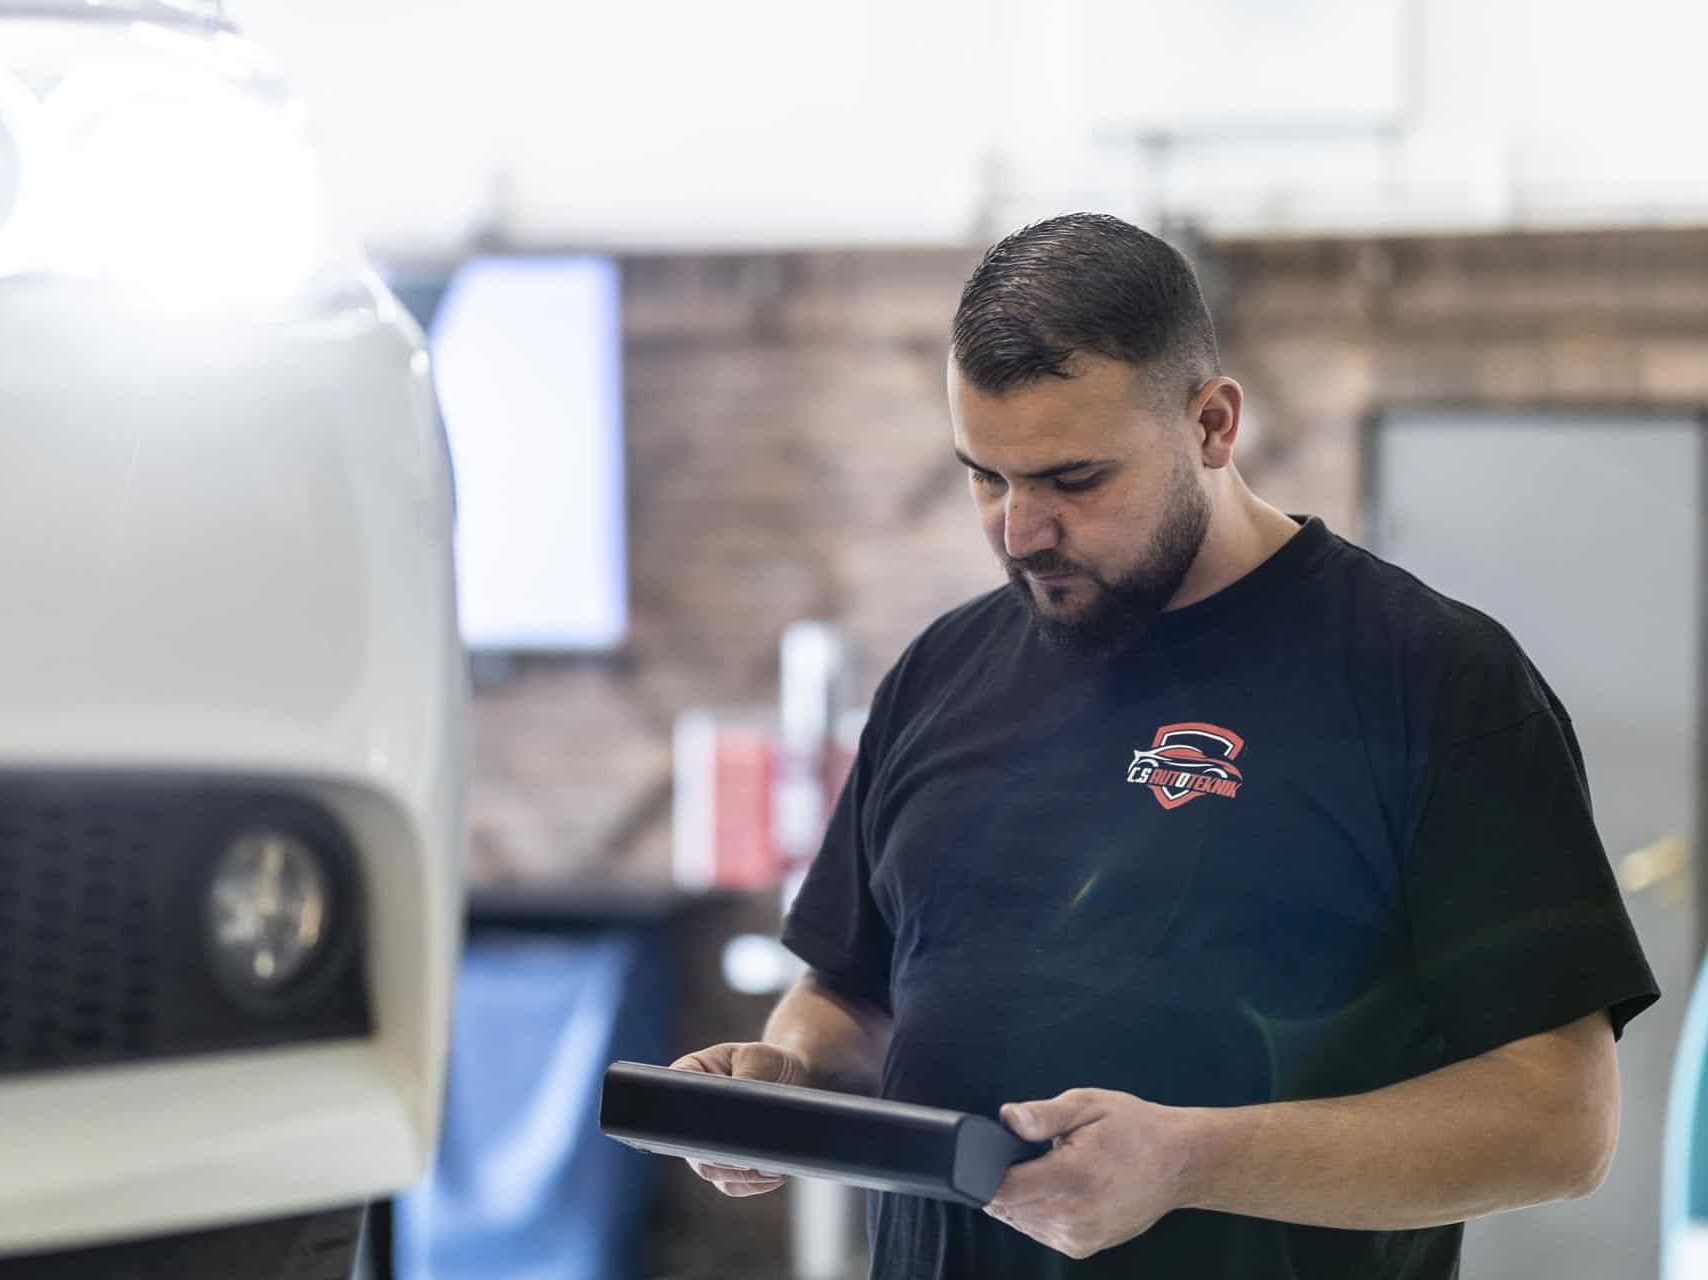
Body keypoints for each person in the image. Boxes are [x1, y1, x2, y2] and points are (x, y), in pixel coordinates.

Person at [669, 212, 1659, 1278]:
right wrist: (791, 1073)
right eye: (985, 476)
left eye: (1073, 479)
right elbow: (851, 995)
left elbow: (1561, 1118)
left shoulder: (1432, 681)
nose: (1018, 530)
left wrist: (1192, 1158)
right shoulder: (939, 674)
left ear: (1212, 424)